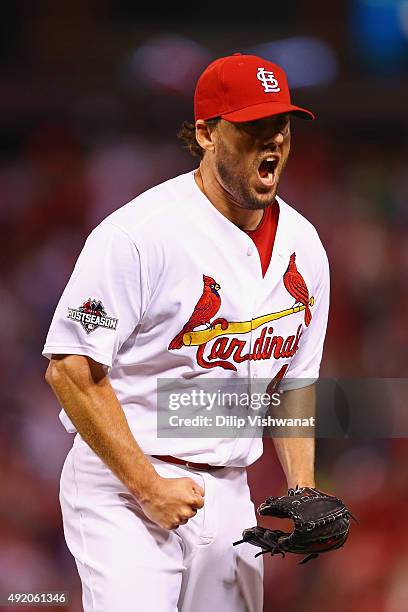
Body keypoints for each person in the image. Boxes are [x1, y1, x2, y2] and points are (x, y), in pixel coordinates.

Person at [43, 53, 329, 612]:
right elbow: (70, 369)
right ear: (205, 134)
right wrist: (146, 486)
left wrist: (303, 490)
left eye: (281, 127)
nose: (270, 143)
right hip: (123, 484)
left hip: (228, 493)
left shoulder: (306, 246)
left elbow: (295, 381)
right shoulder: (137, 235)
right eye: (251, 128)